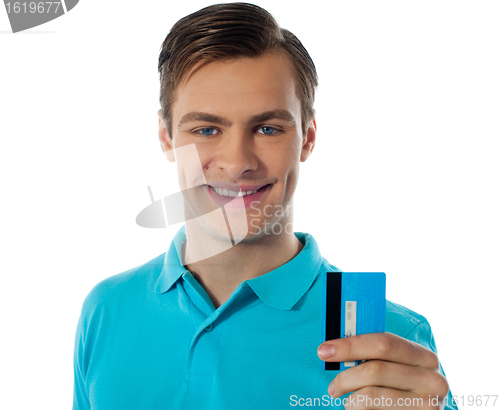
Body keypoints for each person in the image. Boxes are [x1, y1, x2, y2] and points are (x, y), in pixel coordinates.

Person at [72, 3, 458, 409]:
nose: (238, 162)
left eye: (267, 128)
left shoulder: (388, 339)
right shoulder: (108, 308)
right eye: (206, 129)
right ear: (166, 137)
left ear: (307, 138)